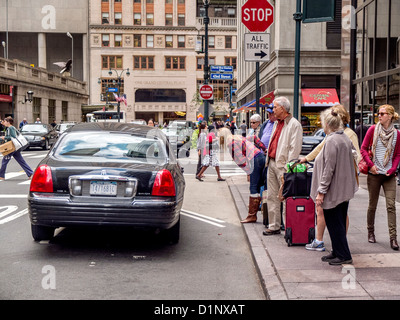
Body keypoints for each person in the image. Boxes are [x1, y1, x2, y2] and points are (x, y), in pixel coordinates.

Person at [300, 104, 361, 252]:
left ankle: (341, 250)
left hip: (336, 187)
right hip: (337, 185)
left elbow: (330, 167)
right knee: (334, 219)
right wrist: (307, 158)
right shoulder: (336, 137)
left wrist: (321, 191)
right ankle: (337, 250)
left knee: (336, 219)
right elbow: (321, 149)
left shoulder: (339, 138)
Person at [360, 104, 400, 250]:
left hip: (389, 175)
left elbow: (397, 155)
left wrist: (393, 168)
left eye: (382, 114)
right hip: (374, 173)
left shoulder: (397, 134)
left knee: (391, 206)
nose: (380, 116)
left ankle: (393, 238)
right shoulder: (372, 130)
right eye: (379, 113)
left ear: (390, 116)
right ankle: (370, 232)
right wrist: (371, 165)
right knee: (372, 205)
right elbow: (363, 149)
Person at [262, 96, 303, 236]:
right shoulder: (276, 123)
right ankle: (274, 226)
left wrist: (288, 168)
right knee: (272, 196)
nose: (273, 110)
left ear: (283, 108)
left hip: (284, 166)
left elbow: (294, 149)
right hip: (272, 162)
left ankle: (288, 227)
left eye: (275, 107)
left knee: (285, 197)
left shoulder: (294, 124)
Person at [227, 133, 267, 223]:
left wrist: (248, 171)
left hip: (254, 160)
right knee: (261, 184)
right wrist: (264, 148)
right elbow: (254, 137)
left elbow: (241, 161)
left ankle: (252, 215)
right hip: (260, 156)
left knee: (253, 186)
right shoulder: (238, 137)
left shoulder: (231, 144)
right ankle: (263, 212)